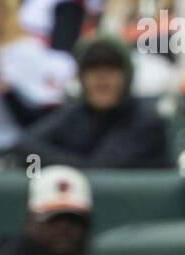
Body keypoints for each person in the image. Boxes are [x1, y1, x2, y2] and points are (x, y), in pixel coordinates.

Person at [18, 35, 170, 169]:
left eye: (112, 67)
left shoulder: (145, 119)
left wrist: (60, 163)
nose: (102, 77)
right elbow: (25, 146)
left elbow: (103, 168)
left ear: (127, 76)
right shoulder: (76, 113)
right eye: (93, 67)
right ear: (81, 77)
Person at [0, 0, 76, 159]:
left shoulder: (26, 50)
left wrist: (0, 80)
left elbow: (40, 120)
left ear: (5, 8)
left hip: (11, 150)